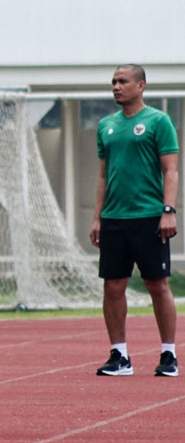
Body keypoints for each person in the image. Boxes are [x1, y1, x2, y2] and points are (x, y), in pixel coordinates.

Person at [90, 64, 178, 378]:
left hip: (150, 217)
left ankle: (169, 354)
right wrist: (98, 218)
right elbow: (103, 176)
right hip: (114, 219)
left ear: (140, 85)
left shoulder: (158, 121)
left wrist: (169, 210)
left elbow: (171, 170)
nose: (116, 86)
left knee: (157, 284)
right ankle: (119, 355)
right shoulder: (106, 125)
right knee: (113, 286)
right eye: (113, 81)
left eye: (122, 81)